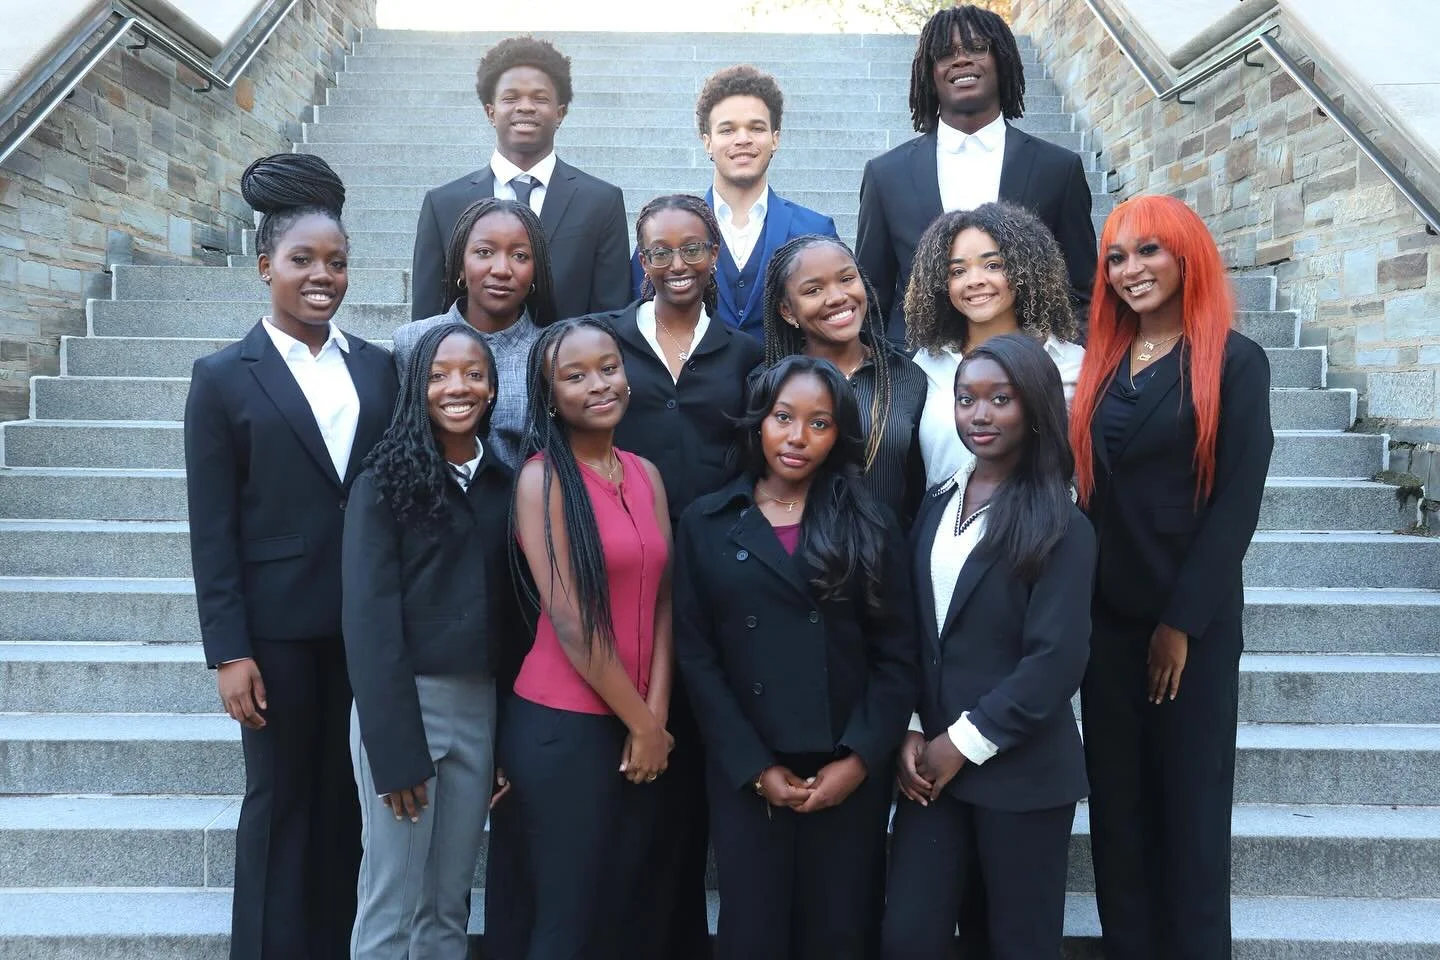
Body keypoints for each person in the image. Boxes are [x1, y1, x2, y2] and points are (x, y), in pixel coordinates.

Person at [183, 153, 399, 960]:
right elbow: (212, 529)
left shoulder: (378, 368)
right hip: (275, 631)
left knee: (348, 796)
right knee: (280, 796)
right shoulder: (221, 378)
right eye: (303, 260)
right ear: (265, 264)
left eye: (337, 262)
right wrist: (228, 650)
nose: (322, 276)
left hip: (367, 623)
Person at [1070, 194, 1274, 960]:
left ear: (1187, 256)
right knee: (1119, 816)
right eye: (1117, 257)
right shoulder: (1105, 360)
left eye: (1149, 251)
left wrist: (1180, 624)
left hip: (1189, 626)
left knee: (1188, 817)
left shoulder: (1235, 359)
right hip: (1106, 626)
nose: (1131, 270)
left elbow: (1236, 504)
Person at [675, 355, 918, 960]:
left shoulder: (870, 523)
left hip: (846, 766)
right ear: (760, 420)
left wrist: (860, 760)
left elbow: (896, 655)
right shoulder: (706, 522)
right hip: (748, 769)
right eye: (784, 417)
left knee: (840, 932)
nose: (797, 438)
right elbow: (697, 658)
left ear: (839, 435)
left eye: (819, 423)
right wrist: (754, 766)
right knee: (751, 933)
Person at [881, 333, 1094, 960]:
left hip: (1018, 772)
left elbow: (1057, 660)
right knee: (908, 938)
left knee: (1015, 944)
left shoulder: (1063, 523)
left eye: (1000, 399)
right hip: (929, 773)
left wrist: (962, 743)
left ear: (1032, 408)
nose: (979, 415)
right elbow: (915, 633)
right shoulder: (935, 503)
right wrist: (914, 728)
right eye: (966, 398)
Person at [599, 193, 763, 960]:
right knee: (635, 789)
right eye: (659, 251)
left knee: (701, 764)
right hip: (621, 590)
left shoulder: (745, 354)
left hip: (716, 587)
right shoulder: (601, 346)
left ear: (715, 257)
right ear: (640, 258)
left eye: (693, 248)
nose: (676, 265)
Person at [343, 322, 520, 959]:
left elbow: (514, 619)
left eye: (474, 373)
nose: (458, 387)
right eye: (440, 374)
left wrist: (503, 737)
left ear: (495, 389)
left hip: (479, 708)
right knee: (391, 897)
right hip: (405, 708)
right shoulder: (382, 482)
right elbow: (368, 623)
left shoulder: (507, 484)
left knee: (448, 902)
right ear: (417, 389)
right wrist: (393, 749)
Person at [503, 316, 675, 960]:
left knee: (622, 907)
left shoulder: (646, 473)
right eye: (574, 376)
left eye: (608, 367)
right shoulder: (540, 480)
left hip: (638, 725)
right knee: (567, 915)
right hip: (563, 727)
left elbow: (663, 603)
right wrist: (644, 725)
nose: (598, 384)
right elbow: (572, 623)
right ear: (550, 394)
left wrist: (654, 716)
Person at [856, 4, 1097, 345]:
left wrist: (1061, 367)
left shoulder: (1058, 168)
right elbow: (872, 295)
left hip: (1031, 368)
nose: (961, 60)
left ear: (1002, 60)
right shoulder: (885, 175)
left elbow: (1082, 291)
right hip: (918, 372)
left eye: (976, 48)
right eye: (945, 53)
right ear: (929, 73)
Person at [410, 36, 630, 322]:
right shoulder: (442, 204)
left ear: (560, 113)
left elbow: (611, 315)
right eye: (511, 98)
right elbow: (427, 319)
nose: (526, 107)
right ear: (491, 112)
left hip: (567, 362)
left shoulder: (601, 201)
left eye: (540, 98)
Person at [628, 65, 839, 338]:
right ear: (707, 142)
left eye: (756, 128)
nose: (743, 139)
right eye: (727, 130)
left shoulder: (817, 230)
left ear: (775, 139)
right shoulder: (664, 233)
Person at [904, 202, 1085, 486]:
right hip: (945, 524)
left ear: (1025, 270)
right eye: (957, 271)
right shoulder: (927, 364)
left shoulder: (1071, 362)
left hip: (1041, 525)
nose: (975, 280)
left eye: (993, 265)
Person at [760, 235, 927, 528]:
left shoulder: (907, 376)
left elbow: (915, 488)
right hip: (793, 560)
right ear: (787, 311)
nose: (837, 297)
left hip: (883, 557)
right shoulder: (767, 384)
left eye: (847, 279)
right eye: (813, 290)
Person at [393, 197, 557, 467]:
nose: (502, 270)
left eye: (520, 256)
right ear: (460, 264)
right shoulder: (411, 342)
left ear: (536, 270)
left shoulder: (552, 351)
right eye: (484, 252)